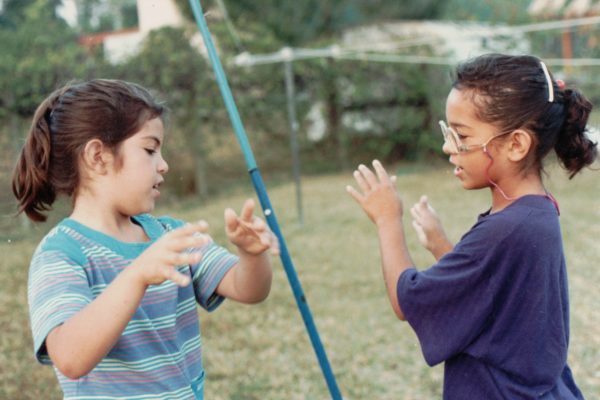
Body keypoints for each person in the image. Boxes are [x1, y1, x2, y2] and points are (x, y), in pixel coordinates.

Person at [347, 54, 596, 399]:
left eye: (461, 135)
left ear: (516, 144)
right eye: (448, 132)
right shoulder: (536, 211)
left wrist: (388, 219)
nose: (449, 147)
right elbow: (491, 299)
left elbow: (407, 301)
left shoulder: (506, 230)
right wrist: (440, 246)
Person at [12, 79, 278, 400]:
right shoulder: (61, 255)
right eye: (150, 149)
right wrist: (137, 275)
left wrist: (251, 256)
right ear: (98, 156)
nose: (164, 165)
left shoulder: (168, 237)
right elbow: (70, 358)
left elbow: (249, 290)